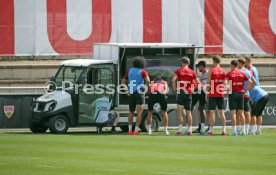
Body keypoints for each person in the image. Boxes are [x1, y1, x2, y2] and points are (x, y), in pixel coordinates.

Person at [172, 57, 200, 136]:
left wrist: (174, 88)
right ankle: (189, 130)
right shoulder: (192, 72)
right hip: (188, 93)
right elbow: (198, 82)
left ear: (182, 62)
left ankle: (180, 130)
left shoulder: (178, 71)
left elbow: (173, 80)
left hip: (181, 92)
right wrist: (192, 89)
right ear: (189, 63)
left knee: (180, 113)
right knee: (189, 113)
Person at [122, 56, 150, 135]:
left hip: (131, 93)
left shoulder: (129, 71)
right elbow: (148, 80)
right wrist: (145, 88)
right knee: (139, 113)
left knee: (131, 112)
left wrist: (126, 90)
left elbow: (123, 81)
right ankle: (136, 130)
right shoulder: (143, 71)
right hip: (139, 92)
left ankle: (130, 130)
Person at [227, 60, 252, 136]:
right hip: (241, 94)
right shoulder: (242, 73)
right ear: (237, 65)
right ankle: (244, 131)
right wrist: (245, 90)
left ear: (231, 65)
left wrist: (228, 88)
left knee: (233, 113)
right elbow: (250, 82)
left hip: (233, 93)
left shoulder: (229, 73)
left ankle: (234, 131)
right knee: (241, 113)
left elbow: (225, 83)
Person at [205, 55, 227, 136]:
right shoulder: (223, 71)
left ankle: (210, 130)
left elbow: (208, 82)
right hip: (220, 93)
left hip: (213, 93)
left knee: (212, 112)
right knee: (221, 112)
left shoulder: (212, 70)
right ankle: (224, 130)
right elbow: (225, 83)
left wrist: (207, 92)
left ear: (214, 61)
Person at [237, 57, 256, 134]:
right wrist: (247, 90)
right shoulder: (248, 71)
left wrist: (244, 90)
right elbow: (254, 82)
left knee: (239, 113)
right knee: (247, 112)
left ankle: (239, 129)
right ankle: (246, 129)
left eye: (238, 63)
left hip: (239, 94)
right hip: (246, 95)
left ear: (240, 63)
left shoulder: (238, 71)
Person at [191, 61, 208, 134]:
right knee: (201, 109)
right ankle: (201, 128)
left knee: (192, 107)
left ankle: (202, 128)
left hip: (203, 92)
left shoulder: (208, 73)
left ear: (203, 66)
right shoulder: (203, 74)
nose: (198, 68)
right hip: (201, 91)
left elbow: (208, 84)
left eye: (199, 66)